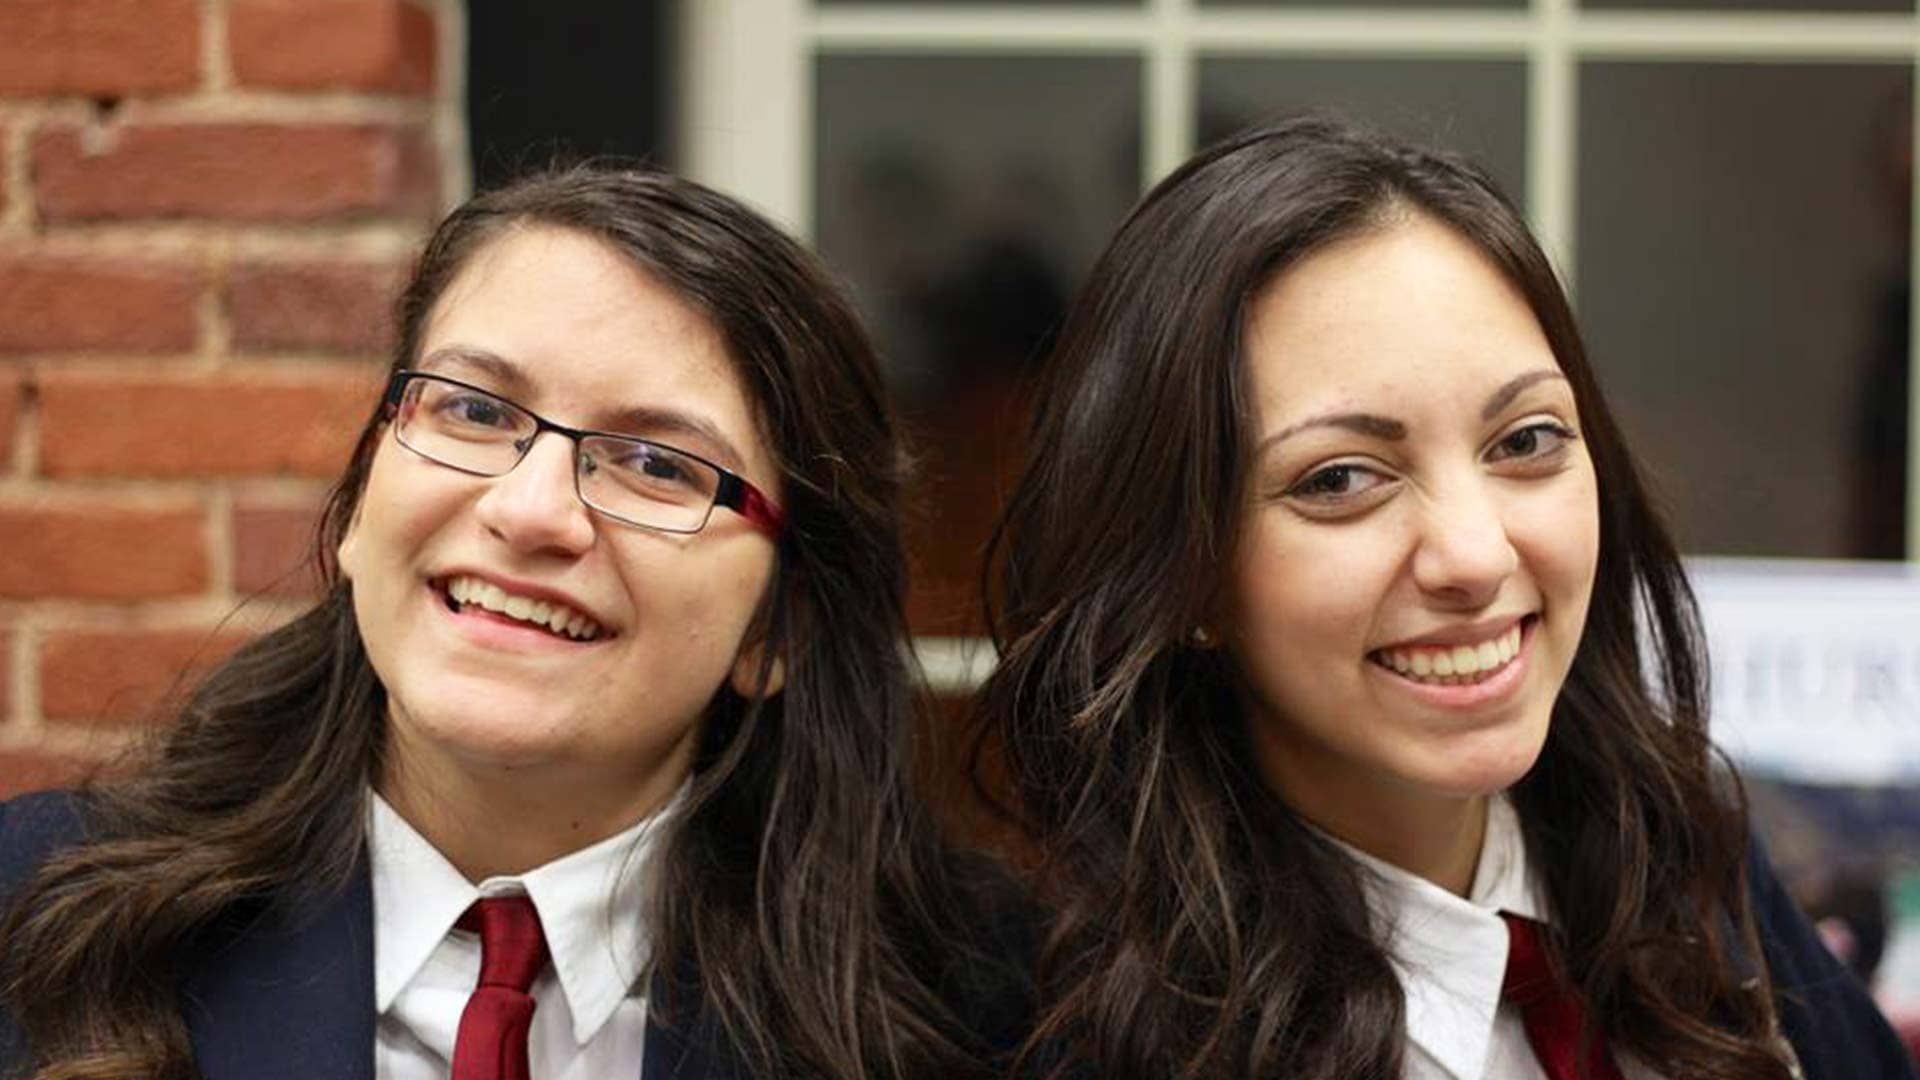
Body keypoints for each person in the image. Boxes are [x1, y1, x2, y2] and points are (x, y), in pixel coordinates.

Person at [0, 166, 1025, 1080]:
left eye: (660, 465)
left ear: (779, 628)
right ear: (361, 501)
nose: (530, 511)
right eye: (476, 412)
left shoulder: (990, 1019)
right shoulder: (35, 928)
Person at [978, 116, 1914, 1080]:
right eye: (1339, 479)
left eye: (1525, 440)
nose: (1473, 554)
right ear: (1183, 577)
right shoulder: (1095, 1043)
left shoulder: (1694, 873)